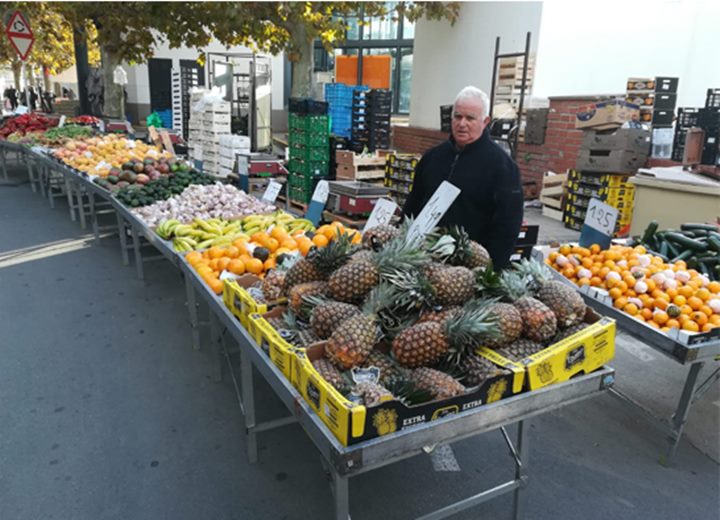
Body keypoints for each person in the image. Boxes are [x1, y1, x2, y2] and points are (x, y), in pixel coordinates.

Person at [402, 86, 524, 269]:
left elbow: (507, 226)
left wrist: (493, 269)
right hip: (423, 260)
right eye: (457, 116)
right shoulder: (432, 158)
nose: (462, 124)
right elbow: (414, 203)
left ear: (485, 121)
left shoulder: (503, 167)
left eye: (470, 118)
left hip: (470, 268)